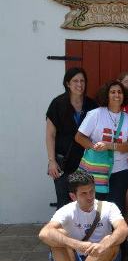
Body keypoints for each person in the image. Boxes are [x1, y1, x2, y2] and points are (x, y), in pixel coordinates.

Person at [39, 170, 128, 261]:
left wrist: (103, 245)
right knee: (57, 235)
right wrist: (76, 244)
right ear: (73, 196)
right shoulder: (66, 210)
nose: (90, 197)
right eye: (84, 193)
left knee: (110, 240)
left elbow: (123, 230)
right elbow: (44, 234)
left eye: (91, 191)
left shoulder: (108, 207)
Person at [75, 81, 128, 214]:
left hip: (119, 171)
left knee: (115, 208)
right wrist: (94, 146)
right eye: (113, 92)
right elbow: (79, 137)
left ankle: (114, 235)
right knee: (93, 206)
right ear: (106, 95)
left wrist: (108, 145)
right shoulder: (95, 114)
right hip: (96, 169)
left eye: (120, 92)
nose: (117, 95)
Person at [46, 68, 98, 208]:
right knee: (64, 203)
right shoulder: (57, 104)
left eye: (82, 81)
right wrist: (51, 161)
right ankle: (62, 231)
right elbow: (50, 134)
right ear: (68, 83)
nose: (79, 84)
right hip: (64, 162)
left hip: (87, 162)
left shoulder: (92, 105)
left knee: (86, 203)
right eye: (75, 81)